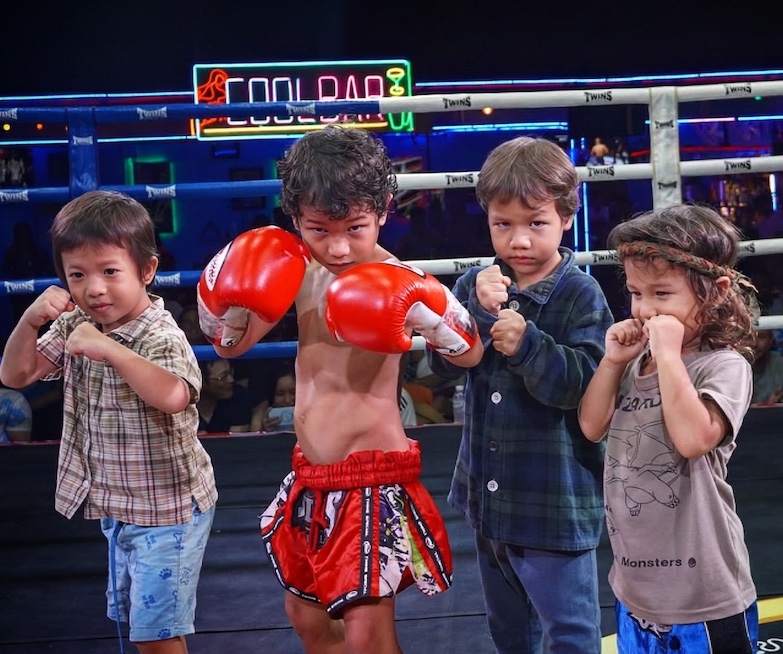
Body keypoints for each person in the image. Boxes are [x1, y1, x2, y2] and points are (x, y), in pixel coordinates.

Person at [197, 125, 482, 654]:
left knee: (367, 633)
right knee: (306, 617)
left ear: (383, 211)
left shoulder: (400, 277)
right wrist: (225, 304)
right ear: (295, 218)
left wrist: (433, 317)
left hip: (372, 474)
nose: (338, 246)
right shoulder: (297, 270)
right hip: (311, 472)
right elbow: (231, 346)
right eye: (319, 229)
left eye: (355, 227)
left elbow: (469, 354)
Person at [0, 190, 217, 654]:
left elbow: (174, 396)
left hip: (168, 509)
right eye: (77, 275)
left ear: (147, 270)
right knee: (136, 626)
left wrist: (111, 350)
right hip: (117, 505)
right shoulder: (77, 322)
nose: (94, 288)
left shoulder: (160, 333)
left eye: (110, 272)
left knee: (157, 634)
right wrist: (29, 321)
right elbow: (15, 376)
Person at [428, 136, 614, 653]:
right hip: (488, 493)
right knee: (509, 630)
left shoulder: (581, 293)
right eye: (503, 225)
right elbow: (441, 370)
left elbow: (588, 389)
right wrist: (468, 317)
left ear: (566, 218)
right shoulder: (475, 283)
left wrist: (530, 346)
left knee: (570, 633)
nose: (519, 240)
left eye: (536, 223)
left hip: (553, 497)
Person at [578, 204, 759, 652]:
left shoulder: (722, 366)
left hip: (705, 595)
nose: (644, 310)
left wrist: (669, 357)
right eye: (636, 293)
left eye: (662, 294)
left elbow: (694, 439)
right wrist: (612, 362)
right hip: (635, 589)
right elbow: (591, 426)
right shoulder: (636, 360)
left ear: (715, 293)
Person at [197, 358, 255, 433]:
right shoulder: (184, 403)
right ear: (200, 381)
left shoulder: (240, 398)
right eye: (223, 377)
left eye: (230, 372)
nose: (231, 380)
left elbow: (236, 438)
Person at [252, 364, 296, 432]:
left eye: (293, 393)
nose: (287, 400)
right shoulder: (262, 413)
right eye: (280, 394)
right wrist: (264, 430)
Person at [751, 327, 783, 405]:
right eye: (749, 337)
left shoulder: (779, 364)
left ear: (770, 340)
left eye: (761, 337)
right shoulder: (731, 366)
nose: (755, 343)